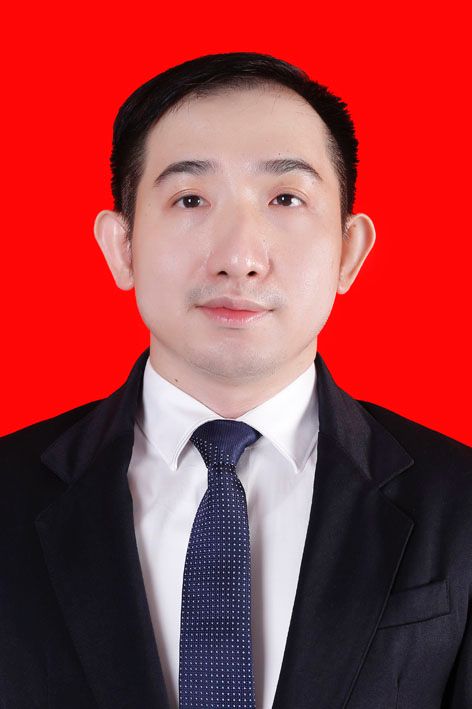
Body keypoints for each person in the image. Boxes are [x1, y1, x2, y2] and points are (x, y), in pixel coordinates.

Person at [0, 52, 471, 709]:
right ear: (122, 246)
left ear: (348, 251)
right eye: (190, 199)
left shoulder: (458, 501)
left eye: (286, 198)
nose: (239, 258)